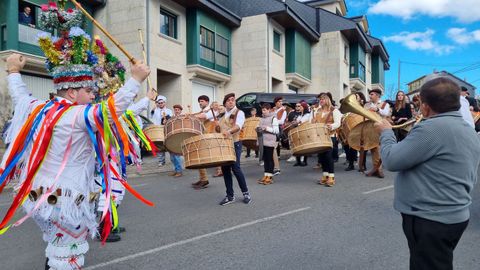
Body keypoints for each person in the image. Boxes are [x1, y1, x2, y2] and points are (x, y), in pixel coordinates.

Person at [2, 42, 149, 270]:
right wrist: (135, 79)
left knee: (56, 248)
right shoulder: (78, 115)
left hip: (39, 198)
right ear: (72, 92)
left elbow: (19, 93)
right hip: (67, 201)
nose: (93, 96)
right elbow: (111, 110)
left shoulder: (37, 107)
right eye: (89, 91)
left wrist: (13, 71)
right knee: (68, 258)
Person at [375, 77, 480, 270]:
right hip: (453, 216)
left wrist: (386, 132)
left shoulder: (430, 129)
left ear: (425, 107)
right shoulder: (468, 129)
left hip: (430, 220)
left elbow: (391, 160)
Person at [206, 93, 251, 205]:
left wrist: (229, 131)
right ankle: (230, 196)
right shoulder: (222, 115)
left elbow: (238, 126)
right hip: (223, 145)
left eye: (232, 100)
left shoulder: (239, 113)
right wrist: (217, 126)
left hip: (235, 143)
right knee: (225, 170)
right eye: (228, 100)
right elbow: (219, 130)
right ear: (225, 103)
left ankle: (246, 193)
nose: (231, 102)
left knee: (236, 169)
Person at [312, 93, 341, 186]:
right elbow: (312, 122)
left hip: (330, 136)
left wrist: (331, 126)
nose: (321, 100)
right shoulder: (317, 111)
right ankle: (325, 176)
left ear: (327, 100)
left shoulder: (334, 110)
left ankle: (331, 177)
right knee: (322, 157)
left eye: (323, 99)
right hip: (319, 136)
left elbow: (338, 123)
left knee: (329, 157)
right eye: (320, 99)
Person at [363, 89, 390, 178]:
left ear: (378, 95)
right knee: (373, 148)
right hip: (370, 128)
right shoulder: (367, 105)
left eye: (372, 94)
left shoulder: (385, 104)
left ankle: (379, 169)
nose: (370, 96)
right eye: (370, 94)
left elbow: (386, 113)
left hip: (380, 128)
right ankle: (376, 168)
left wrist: (377, 109)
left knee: (379, 148)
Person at [191, 95, 215, 189]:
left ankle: (204, 179)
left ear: (207, 102)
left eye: (201, 101)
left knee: (201, 158)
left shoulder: (211, 110)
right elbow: (198, 114)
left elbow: (202, 116)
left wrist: (191, 116)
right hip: (203, 136)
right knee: (199, 157)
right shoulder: (203, 111)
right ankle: (203, 179)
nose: (200, 103)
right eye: (199, 101)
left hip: (209, 137)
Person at [256, 103, 279, 185]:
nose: (263, 111)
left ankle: (270, 176)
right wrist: (258, 129)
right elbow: (259, 128)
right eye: (262, 110)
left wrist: (267, 128)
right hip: (263, 141)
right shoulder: (261, 119)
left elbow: (276, 131)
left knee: (269, 159)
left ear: (269, 110)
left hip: (270, 141)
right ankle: (266, 175)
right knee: (265, 159)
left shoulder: (273, 118)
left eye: (265, 110)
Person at [151, 95, 172, 166]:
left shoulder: (168, 111)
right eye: (159, 103)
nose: (160, 104)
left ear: (164, 103)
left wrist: (166, 118)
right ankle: (161, 161)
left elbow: (170, 119)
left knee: (169, 144)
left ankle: (173, 159)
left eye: (162, 103)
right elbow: (152, 116)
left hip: (166, 129)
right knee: (159, 145)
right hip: (158, 129)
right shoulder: (155, 110)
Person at [292, 101, 311, 167]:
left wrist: (296, 122)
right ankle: (298, 161)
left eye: (301, 106)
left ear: (304, 107)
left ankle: (305, 161)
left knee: (305, 147)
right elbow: (297, 122)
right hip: (299, 131)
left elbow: (301, 122)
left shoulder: (308, 115)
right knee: (298, 146)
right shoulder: (300, 115)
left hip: (304, 131)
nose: (299, 107)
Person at [168, 105, 184, 177]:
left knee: (176, 155)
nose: (177, 111)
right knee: (172, 157)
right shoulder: (171, 118)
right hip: (172, 138)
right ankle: (175, 169)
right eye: (175, 109)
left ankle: (179, 171)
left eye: (178, 110)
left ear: (180, 111)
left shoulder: (183, 118)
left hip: (179, 137)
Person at [273, 97, 286, 177]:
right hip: (272, 130)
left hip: (278, 130)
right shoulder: (273, 110)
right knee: (272, 149)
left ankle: (277, 168)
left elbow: (281, 121)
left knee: (273, 148)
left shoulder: (283, 111)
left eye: (281, 101)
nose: (280, 103)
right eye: (279, 101)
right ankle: (275, 167)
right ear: (275, 102)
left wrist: (272, 121)